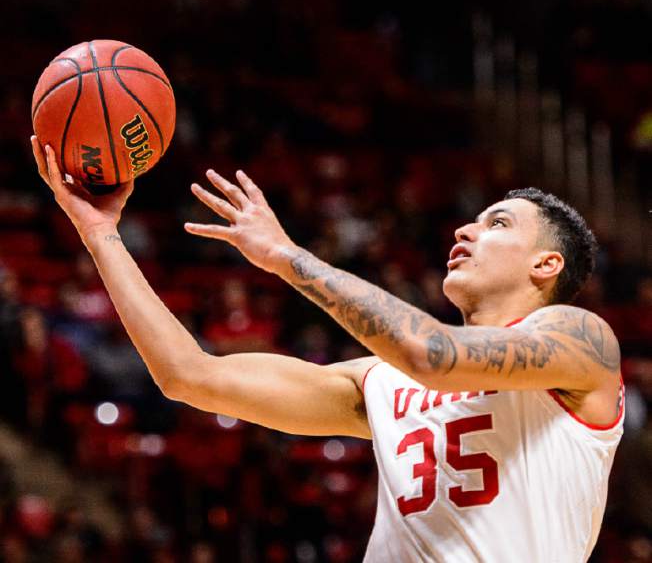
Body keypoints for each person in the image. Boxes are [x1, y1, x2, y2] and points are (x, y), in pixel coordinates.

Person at [31, 137, 623, 563]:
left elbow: (434, 354)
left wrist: (287, 257)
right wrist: (99, 234)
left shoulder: (581, 342)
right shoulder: (382, 382)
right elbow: (189, 376)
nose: (464, 231)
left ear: (547, 264)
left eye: (496, 224)